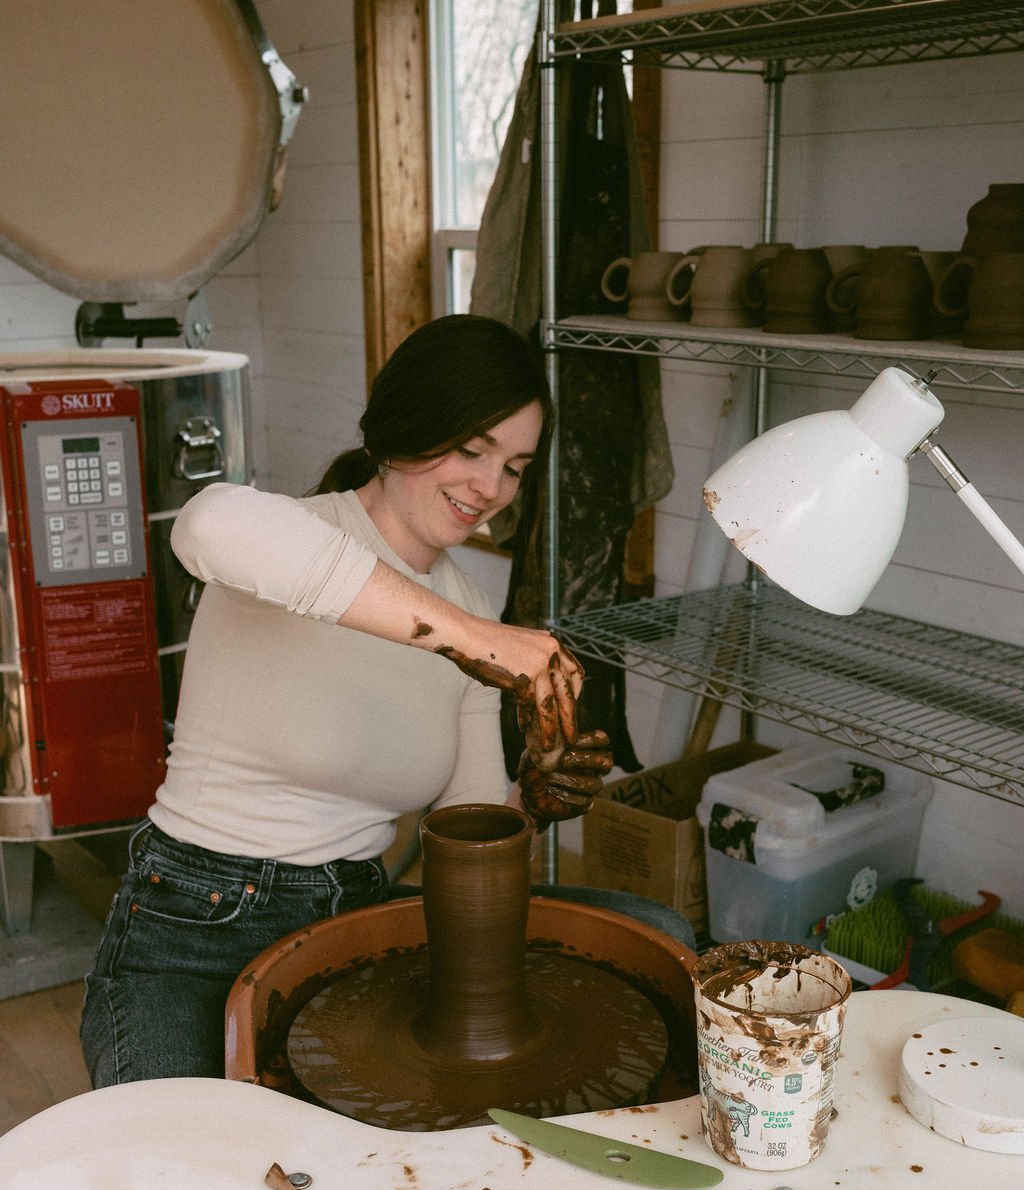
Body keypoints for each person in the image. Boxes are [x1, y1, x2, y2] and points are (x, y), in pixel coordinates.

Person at [80, 314, 693, 1087]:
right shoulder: (297, 541)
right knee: (190, 1165)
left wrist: (531, 801)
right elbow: (206, 521)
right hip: (199, 925)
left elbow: (464, 827)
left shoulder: (469, 606)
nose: (491, 487)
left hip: (360, 918)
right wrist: (474, 639)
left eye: (515, 466)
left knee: (661, 934)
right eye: (472, 450)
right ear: (407, 427)